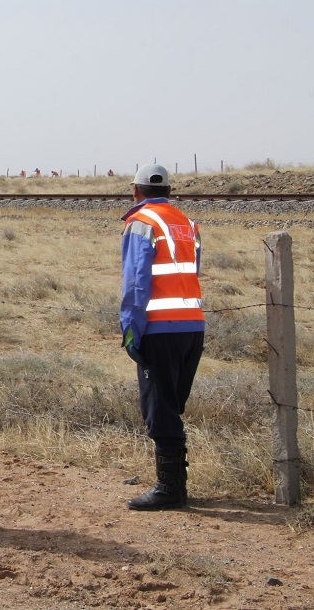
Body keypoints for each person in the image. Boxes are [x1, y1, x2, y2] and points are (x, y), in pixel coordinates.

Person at [120, 165, 205, 511]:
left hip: (159, 328)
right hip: (192, 325)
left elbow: (136, 282)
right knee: (173, 404)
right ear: (169, 191)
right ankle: (177, 486)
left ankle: (170, 488)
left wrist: (130, 331)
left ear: (135, 191)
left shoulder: (141, 223)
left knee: (159, 407)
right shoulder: (186, 223)